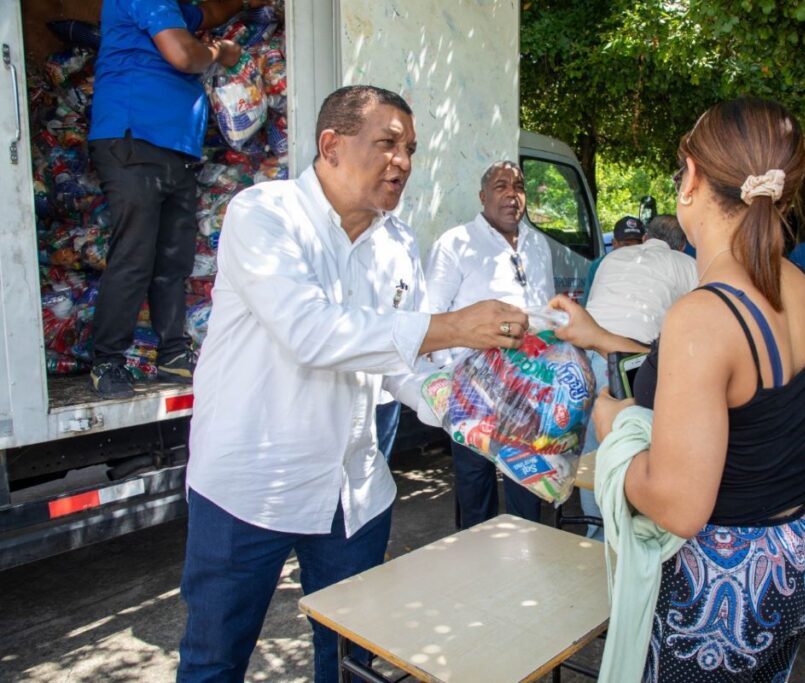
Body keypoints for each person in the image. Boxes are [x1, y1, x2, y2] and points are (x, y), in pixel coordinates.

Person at [178, 86, 529, 683]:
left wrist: (471, 410)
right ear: (331, 145)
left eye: (410, 149)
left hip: (355, 494)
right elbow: (311, 332)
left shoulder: (398, 242)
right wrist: (451, 326)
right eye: (388, 143)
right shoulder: (263, 214)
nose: (403, 162)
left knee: (350, 664)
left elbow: (402, 365)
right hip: (250, 489)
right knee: (214, 662)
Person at [551, 98, 805, 681]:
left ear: (693, 178)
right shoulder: (795, 284)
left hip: (727, 586)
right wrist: (599, 337)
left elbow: (678, 505)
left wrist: (615, 432)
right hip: (799, 548)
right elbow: (731, 385)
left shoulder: (703, 314)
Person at [87, 0, 264, 399]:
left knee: (174, 258)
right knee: (135, 254)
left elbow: (207, 15)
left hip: (175, 148)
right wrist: (220, 52)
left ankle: (172, 353)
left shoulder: (175, 9)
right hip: (133, 138)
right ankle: (107, 361)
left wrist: (242, 5)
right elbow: (184, 55)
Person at [425, 161, 555, 529]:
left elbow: (545, 311)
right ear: (483, 196)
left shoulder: (538, 245)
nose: (513, 194)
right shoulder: (456, 243)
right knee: (475, 489)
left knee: (527, 487)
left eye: (519, 186)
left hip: (529, 389)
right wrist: (450, 381)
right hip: (473, 393)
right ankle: (475, 558)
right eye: (501, 186)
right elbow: (431, 315)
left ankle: (527, 555)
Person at [577, 214, 698, 538]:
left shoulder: (611, 259)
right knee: (633, 451)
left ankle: (596, 535)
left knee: (593, 454)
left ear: (646, 237)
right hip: (634, 363)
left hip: (588, 357)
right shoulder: (686, 265)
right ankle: (628, 540)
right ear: (682, 245)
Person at [580, 215, 645, 306]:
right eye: (626, 245)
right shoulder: (599, 265)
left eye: (637, 245)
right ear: (614, 243)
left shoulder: (647, 265)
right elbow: (587, 302)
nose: (632, 249)